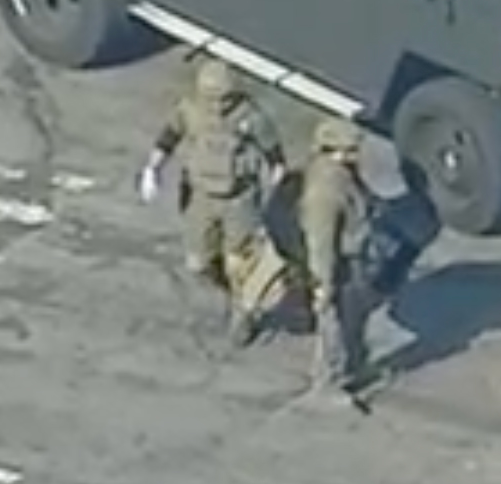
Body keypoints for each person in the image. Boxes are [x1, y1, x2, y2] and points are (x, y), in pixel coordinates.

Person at [144, 56, 282, 344]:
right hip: (201, 197)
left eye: (225, 98)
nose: (219, 105)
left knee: (240, 262)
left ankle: (242, 310)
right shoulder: (190, 111)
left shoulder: (249, 116)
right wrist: (152, 169)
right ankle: (228, 287)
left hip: (239, 199)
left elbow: (274, 155)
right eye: (213, 98)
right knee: (198, 263)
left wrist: (274, 191)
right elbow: (168, 137)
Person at [298, 117, 376, 395]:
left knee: (354, 319)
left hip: (354, 259)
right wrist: (324, 286)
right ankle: (328, 384)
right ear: (331, 150)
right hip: (339, 266)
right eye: (350, 149)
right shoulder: (324, 191)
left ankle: (352, 368)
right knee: (333, 327)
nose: (356, 154)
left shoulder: (341, 172)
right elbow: (321, 243)